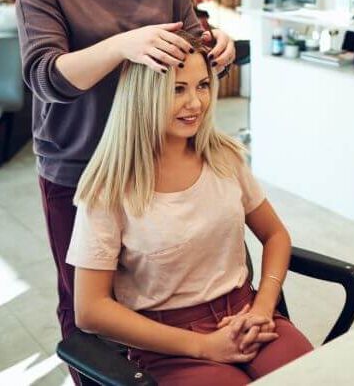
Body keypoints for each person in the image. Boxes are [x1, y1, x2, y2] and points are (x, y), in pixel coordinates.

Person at [15, 0, 236, 381]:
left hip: (162, 166)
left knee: (164, 294)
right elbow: (44, 78)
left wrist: (218, 46)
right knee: (89, 309)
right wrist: (121, 45)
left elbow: (193, 52)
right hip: (82, 172)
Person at [67, 31, 312, 384]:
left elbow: (275, 235)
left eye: (202, 85)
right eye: (178, 89)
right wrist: (203, 347)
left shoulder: (224, 157)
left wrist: (263, 308)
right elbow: (90, 311)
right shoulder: (109, 190)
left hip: (246, 314)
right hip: (169, 344)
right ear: (144, 96)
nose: (196, 103)